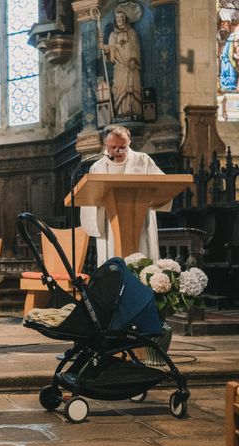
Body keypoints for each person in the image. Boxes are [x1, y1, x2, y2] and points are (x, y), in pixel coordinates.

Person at [80, 126, 170, 267]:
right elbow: (90, 197)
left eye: (123, 146)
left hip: (139, 220)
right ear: (105, 145)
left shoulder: (143, 161)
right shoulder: (97, 167)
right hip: (109, 222)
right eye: (113, 147)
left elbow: (164, 186)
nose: (118, 151)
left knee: (142, 259)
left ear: (130, 142)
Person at [101, 9, 142, 119]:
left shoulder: (132, 33)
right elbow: (111, 52)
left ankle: (134, 112)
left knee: (133, 89)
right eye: (118, 18)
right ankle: (121, 113)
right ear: (115, 20)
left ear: (125, 20)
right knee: (120, 90)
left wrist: (133, 59)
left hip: (131, 66)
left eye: (121, 17)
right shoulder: (113, 35)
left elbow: (136, 48)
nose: (120, 19)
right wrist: (105, 48)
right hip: (120, 67)